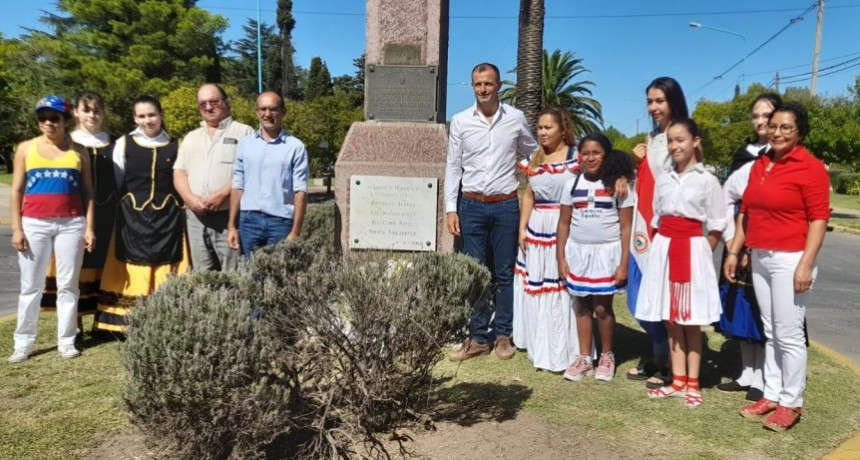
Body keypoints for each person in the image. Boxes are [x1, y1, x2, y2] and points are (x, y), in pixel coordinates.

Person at [726, 102, 829, 432]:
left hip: (791, 259)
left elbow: (818, 219)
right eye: (774, 126)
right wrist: (734, 251)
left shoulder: (810, 167)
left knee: (789, 333)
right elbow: (747, 212)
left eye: (787, 127)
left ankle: (791, 402)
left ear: (799, 132)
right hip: (761, 256)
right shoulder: (761, 164)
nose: (779, 132)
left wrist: (806, 264)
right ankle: (771, 393)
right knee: (770, 331)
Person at [445, 62, 538, 362]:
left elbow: (533, 152)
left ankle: (502, 336)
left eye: (488, 83)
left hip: (505, 205)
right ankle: (477, 337)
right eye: (477, 84)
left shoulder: (515, 118)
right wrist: (450, 208)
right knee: (475, 274)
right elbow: (453, 166)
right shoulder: (460, 121)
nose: (483, 89)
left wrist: (538, 177)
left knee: (503, 273)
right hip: (470, 205)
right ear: (472, 86)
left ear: (499, 85)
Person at [635, 118, 726, 408]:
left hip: (691, 251)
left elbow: (716, 225)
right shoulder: (663, 178)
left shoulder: (707, 180)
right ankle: (676, 380)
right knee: (671, 319)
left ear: (695, 142)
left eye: (681, 140)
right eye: (671, 141)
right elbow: (657, 218)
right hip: (664, 249)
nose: (675, 146)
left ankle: (693, 382)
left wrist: (699, 251)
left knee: (690, 320)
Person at [8, 95, 95, 362]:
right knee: (31, 285)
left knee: (68, 285)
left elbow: (89, 192)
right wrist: (17, 228)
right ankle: (23, 342)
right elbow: (17, 189)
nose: (48, 123)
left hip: (71, 223)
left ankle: (66, 340)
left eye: (54, 117)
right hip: (34, 223)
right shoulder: (25, 149)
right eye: (42, 117)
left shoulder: (79, 152)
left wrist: (89, 227)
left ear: (66, 120)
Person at [94, 96, 190, 333]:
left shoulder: (176, 145)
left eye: (152, 115)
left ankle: (165, 316)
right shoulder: (123, 144)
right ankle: (125, 322)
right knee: (131, 261)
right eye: (142, 116)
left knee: (167, 260)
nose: (147, 120)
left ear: (161, 115)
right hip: (132, 220)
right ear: (135, 118)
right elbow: (118, 181)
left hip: (168, 220)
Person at [716, 93, 782, 402]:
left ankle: (765, 377)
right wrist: (732, 244)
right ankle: (746, 373)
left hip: (770, 242)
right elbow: (727, 199)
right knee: (741, 308)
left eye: (767, 116)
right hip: (739, 243)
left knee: (765, 312)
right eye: (755, 115)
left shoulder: (784, 155)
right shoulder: (744, 155)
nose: (760, 121)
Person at [627, 76, 690, 388]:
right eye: (650, 101)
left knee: (664, 302)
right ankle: (658, 351)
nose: (653, 107)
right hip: (641, 228)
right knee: (638, 300)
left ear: (673, 102)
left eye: (659, 101)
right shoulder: (650, 139)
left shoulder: (683, 138)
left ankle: (666, 363)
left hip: (666, 230)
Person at [557, 135, 635, 382]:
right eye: (586, 153)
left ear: (606, 155)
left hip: (606, 255)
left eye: (597, 152)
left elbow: (626, 228)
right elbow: (563, 223)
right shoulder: (571, 184)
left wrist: (623, 263)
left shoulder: (619, 186)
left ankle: (607, 355)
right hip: (579, 254)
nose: (590, 158)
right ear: (579, 155)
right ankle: (584, 358)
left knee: (602, 307)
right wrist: (561, 258)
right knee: (582, 306)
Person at [512, 106, 580, 370]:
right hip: (537, 226)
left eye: (548, 127)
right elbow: (529, 195)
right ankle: (538, 343)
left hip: (566, 226)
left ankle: (565, 349)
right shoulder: (535, 159)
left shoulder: (576, 158)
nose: (542, 132)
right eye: (539, 127)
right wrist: (522, 228)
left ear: (563, 129)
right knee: (537, 284)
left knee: (560, 286)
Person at [40, 92, 116, 327]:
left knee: (102, 262)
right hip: (73, 211)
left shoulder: (115, 142)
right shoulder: (66, 141)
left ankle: (100, 318)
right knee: (74, 263)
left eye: (97, 110)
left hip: (108, 212)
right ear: (75, 112)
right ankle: (74, 322)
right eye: (87, 110)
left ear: (103, 113)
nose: (92, 115)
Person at [174, 84, 253, 271]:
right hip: (195, 218)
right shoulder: (191, 137)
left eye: (214, 102)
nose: (208, 107)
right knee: (202, 276)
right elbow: (179, 172)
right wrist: (190, 199)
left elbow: (247, 171)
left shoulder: (244, 132)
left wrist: (221, 195)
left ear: (227, 103)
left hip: (229, 218)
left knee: (232, 274)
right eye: (202, 104)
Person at [227, 91, 309, 257]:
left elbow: (300, 191)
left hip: (280, 223)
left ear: (283, 112)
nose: (267, 114)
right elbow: (238, 186)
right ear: (257, 112)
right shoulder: (245, 145)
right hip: (248, 221)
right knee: (250, 276)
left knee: (279, 277)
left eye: (273, 109)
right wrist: (231, 226)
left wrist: (296, 231)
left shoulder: (295, 147)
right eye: (263, 109)